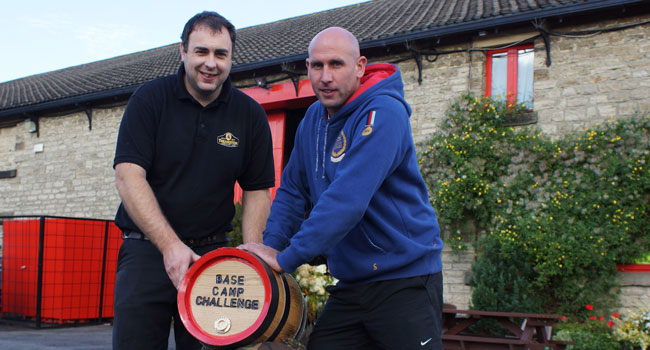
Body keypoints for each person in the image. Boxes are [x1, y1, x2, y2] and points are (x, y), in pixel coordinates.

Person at [239, 27, 443, 350]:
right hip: (351, 284)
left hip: (404, 280)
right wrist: (271, 251)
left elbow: (346, 202)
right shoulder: (312, 121)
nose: (325, 76)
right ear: (307, 68)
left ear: (360, 67)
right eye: (317, 66)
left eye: (336, 64)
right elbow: (292, 192)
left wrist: (287, 257)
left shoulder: (383, 113)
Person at [112, 11, 275, 350]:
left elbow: (257, 189)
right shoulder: (149, 100)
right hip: (146, 253)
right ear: (183, 51)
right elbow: (129, 177)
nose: (210, 63)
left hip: (212, 258)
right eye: (201, 51)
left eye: (221, 54)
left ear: (231, 58)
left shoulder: (249, 114)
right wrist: (169, 246)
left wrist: (251, 255)